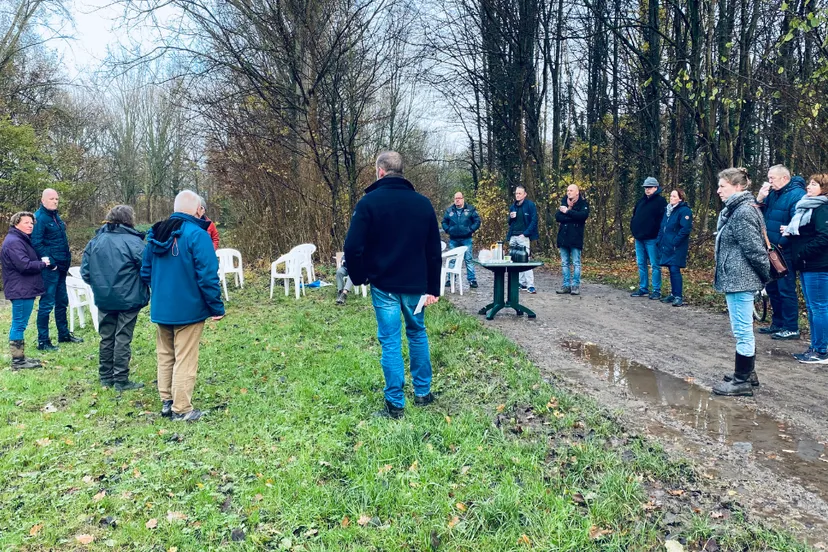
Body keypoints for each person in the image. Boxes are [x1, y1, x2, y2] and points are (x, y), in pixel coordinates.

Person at [344, 151, 441, 419]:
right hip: (416, 286)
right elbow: (434, 250)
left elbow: (352, 247)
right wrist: (433, 287)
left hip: (384, 285)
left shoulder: (369, 203)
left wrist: (358, 276)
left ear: (380, 171)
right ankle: (423, 393)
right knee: (417, 333)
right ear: (401, 171)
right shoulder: (423, 204)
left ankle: (395, 404)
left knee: (390, 340)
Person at [141, 190, 225, 422]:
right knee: (185, 358)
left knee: (166, 355)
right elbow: (208, 276)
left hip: (161, 307)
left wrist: (162, 290)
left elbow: (145, 271)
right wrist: (216, 307)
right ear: (197, 209)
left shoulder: (156, 232)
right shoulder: (198, 235)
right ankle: (182, 409)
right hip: (188, 308)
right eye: (201, 208)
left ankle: (167, 400)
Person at [711, 168, 771, 397]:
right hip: (737, 278)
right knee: (743, 329)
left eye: (722, 186)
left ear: (737, 187)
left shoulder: (743, 212)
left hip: (740, 280)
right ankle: (749, 373)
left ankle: (742, 381)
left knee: (742, 331)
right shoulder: (739, 209)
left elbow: (755, 251)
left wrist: (764, 277)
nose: (718, 191)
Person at [81, 205, 150, 390]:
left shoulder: (95, 241)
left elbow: (85, 272)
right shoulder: (134, 242)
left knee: (107, 336)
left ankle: (105, 376)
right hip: (129, 297)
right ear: (129, 219)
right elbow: (147, 268)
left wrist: (101, 286)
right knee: (122, 337)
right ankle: (120, 379)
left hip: (104, 297)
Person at [756, 165, 806, 340]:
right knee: (772, 288)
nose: (769, 182)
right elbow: (760, 216)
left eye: (772, 178)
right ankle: (777, 323)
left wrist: (781, 245)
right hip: (769, 249)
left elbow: (797, 224)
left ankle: (791, 327)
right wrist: (760, 198)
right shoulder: (773, 194)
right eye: (768, 178)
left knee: (786, 288)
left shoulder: (797, 195)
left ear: (785, 178)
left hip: (784, 250)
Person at [31, 188, 83, 350]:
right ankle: (43, 341)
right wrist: (50, 262)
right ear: (43, 200)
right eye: (52, 199)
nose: (55, 201)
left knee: (62, 301)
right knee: (47, 303)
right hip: (50, 269)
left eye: (57, 199)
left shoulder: (56, 217)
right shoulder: (39, 218)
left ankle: (64, 334)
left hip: (62, 267)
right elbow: (37, 243)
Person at [784, 174, 828, 364]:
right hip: (806, 265)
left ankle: (821, 351)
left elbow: (824, 237)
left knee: (819, 308)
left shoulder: (822, 209)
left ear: (824, 188)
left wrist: (802, 253)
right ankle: (815, 346)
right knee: (812, 307)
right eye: (809, 184)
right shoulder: (807, 207)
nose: (809, 187)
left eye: (814, 184)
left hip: (817, 265)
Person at [1, 212, 49, 369]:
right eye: (26, 222)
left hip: (24, 288)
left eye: (31, 223)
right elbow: (24, 265)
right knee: (19, 324)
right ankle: (18, 361)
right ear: (16, 224)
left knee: (20, 323)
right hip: (20, 289)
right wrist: (42, 263)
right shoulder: (14, 242)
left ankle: (20, 358)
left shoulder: (20, 240)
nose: (30, 225)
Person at [630, 177, 668, 299]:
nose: (647, 190)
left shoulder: (661, 202)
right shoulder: (641, 201)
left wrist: (657, 235)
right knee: (641, 264)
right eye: (646, 187)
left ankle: (656, 290)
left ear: (656, 188)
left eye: (650, 187)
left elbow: (662, 221)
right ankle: (643, 288)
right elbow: (634, 215)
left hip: (652, 238)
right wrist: (634, 229)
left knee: (655, 264)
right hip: (639, 238)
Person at [656, 189, 693, 307]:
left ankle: (678, 296)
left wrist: (675, 241)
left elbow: (685, 229)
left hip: (677, 246)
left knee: (674, 269)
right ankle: (673, 293)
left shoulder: (684, 211)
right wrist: (659, 240)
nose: (671, 197)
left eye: (674, 196)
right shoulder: (668, 211)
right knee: (670, 269)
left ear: (680, 198)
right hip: (666, 245)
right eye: (670, 195)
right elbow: (663, 227)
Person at [555, 184, 590, 295]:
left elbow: (582, 216)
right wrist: (570, 213)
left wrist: (568, 212)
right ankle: (566, 285)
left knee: (576, 263)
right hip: (563, 238)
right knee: (564, 263)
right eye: (567, 190)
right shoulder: (564, 202)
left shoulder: (583, 203)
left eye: (571, 190)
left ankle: (575, 285)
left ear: (577, 192)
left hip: (575, 238)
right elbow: (558, 217)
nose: (568, 192)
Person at [441, 191, 481, 288]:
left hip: (466, 239)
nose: (457, 200)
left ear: (463, 199)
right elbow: (444, 222)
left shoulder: (470, 209)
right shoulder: (449, 211)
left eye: (459, 198)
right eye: (455, 198)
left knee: (468, 259)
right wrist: (448, 230)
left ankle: (472, 280)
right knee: (452, 259)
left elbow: (477, 221)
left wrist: (471, 229)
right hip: (454, 239)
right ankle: (450, 280)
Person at [506, 186, 539, 293]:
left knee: (525, 260)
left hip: (523, 237)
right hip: (513, 236)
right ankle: (520, 283)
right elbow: (509, 222)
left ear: (525, 194)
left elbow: (534, 221)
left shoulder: (530, 205)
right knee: (515, 261)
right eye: (516, 193)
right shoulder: (513, 207)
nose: (518, 195)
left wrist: (525, 234)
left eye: (520, 193)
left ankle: (530, 285)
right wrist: (510, 217)